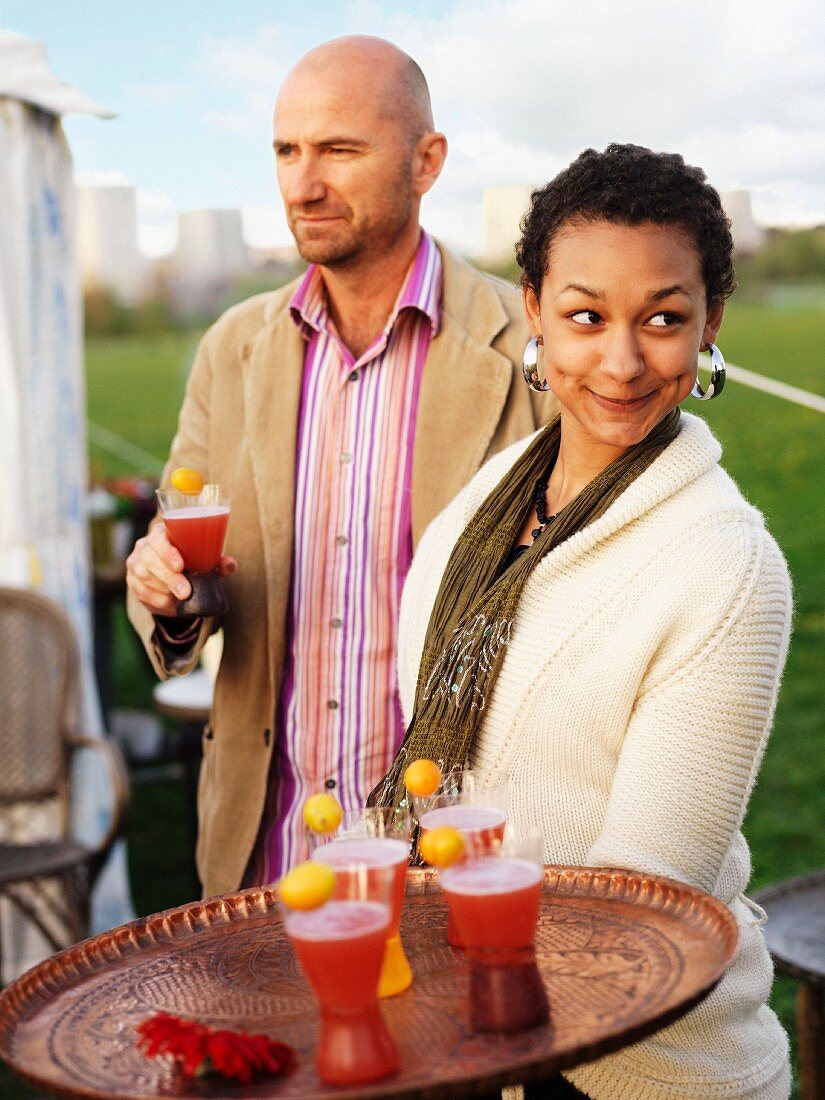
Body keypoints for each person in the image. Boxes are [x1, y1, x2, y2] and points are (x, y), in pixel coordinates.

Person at [377, 144, 792, 1097]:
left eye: (661, 319)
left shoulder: (724, 565)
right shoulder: (492, 497)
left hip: (639, 1066)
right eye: (583, 316)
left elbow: (640, 905)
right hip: (480, 1033)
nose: (619, 361)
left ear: (708, 324)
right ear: (533, 310)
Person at [125, 36, 554, 899]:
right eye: (286, 150)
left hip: (454, 854)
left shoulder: (530, 348)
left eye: (339, 151)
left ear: (426, 160)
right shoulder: (231, 350)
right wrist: (166, 587)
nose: (301, 183)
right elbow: (185, 568)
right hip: (268, 855)